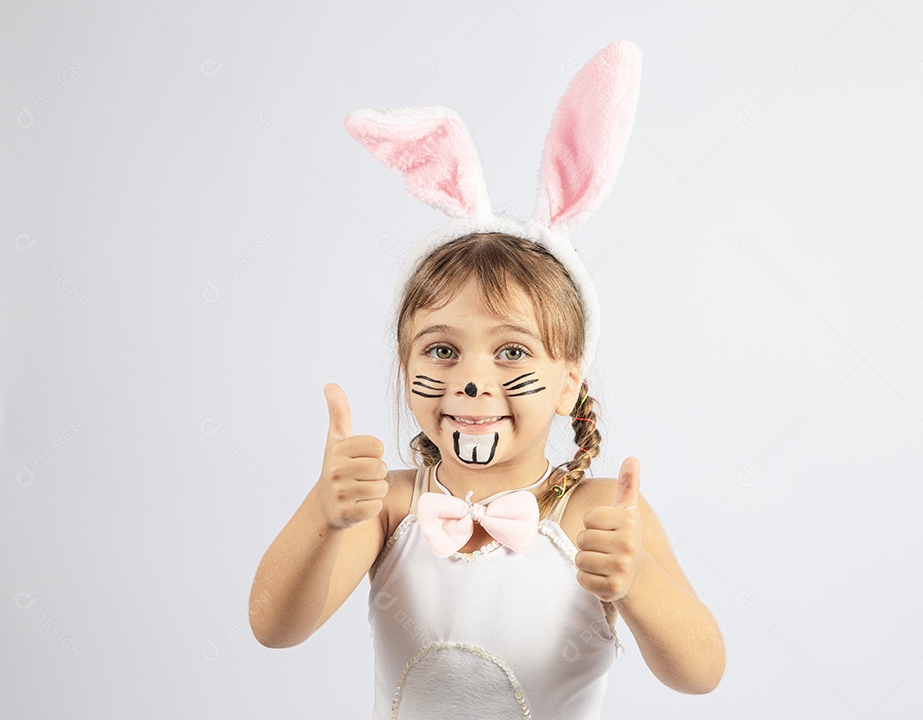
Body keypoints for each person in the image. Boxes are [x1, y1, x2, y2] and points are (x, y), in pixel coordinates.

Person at [249, 40, 725, 718]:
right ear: (404, 363)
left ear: (568, 382)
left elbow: (702, 670)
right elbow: (274, 627)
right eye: (442, 351)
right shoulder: (388, 506)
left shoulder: (596, 513)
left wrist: (637, 578)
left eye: (511, 353)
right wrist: (323, 520)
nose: (473, 380)